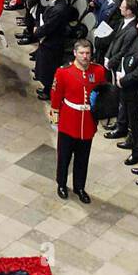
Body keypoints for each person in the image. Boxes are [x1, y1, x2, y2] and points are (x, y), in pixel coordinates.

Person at [49, 39, 107, 204]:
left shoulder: (98, 71)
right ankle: (61, 183)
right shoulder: (63, 72)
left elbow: (103, 92)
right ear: (75, 53)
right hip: (69, 120)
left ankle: (79, 187)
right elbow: (56, 95)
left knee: (83, 159)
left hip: (87, 122)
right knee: (64, 157)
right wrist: (55, 119)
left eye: (88, 53)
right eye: (81, 53)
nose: (85, 56)